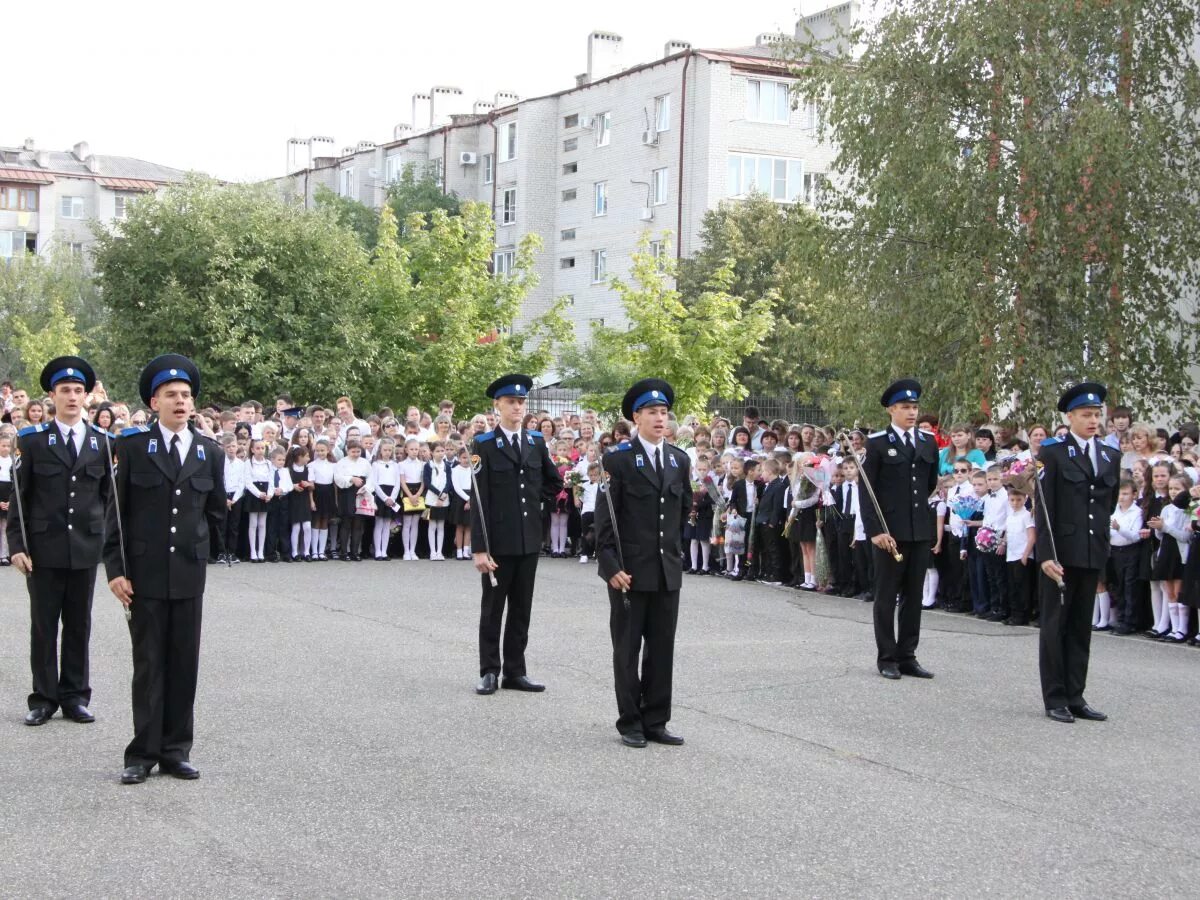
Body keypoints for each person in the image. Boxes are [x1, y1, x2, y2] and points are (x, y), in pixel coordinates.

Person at [105, 354, 226, 783]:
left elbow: (215, 513)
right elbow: (115, 514)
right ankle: (142, 753)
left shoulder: (209, 452)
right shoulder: (134, 447)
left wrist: (201, 554)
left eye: (186, 396)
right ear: (154, 402)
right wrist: (116, 569)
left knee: (183, 665)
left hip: (189, 576)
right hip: (145, 575)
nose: (180, 402)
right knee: (149, 665)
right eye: (171, 395)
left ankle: (177, 750)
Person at [8, 357, 112, 727]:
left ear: (87, 397)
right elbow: (20, 498)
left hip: (85, 547)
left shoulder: (102, 442)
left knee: (79, 624)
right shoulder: (33, 441)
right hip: (44, 548)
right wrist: (17, 545)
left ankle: (75, 696)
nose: (72, 396)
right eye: (65, 390)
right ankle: (43, 697)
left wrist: (106, 543)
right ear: (51, 395)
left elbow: (107, 498)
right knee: (44, 624)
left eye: (78, 391)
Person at [595, 379, 692, 747]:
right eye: (652, 412)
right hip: (629, 573)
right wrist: (610, 567)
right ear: (636, 417)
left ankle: (656, 719)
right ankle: (630, 721)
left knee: (662, 648)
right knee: (627, 648)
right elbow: (607, 521)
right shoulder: (617, 460)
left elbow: (680, 515)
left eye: (664, 412)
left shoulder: (679, 459)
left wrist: (674, 557)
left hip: (666, 571)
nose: (659, 418)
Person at [471, 374, 563, 695]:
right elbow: (479, 502)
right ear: (497, 406)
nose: (517, 407)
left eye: (521, 402)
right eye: (511, 402)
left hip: (527, 540)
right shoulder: (483, 444)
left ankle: (515, 670)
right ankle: (489, 670)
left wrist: (537, 504)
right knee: (493, 609)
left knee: (522, 608)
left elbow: (554, 482)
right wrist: (480, 548)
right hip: (498, 544)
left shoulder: (535, 442)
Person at [1035, 382, 1119, 724]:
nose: (1093, 420)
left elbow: (1106, 506)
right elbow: (1043, 507)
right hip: (1061, 552)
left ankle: (1076, 694)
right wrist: (1045, 554)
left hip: (1091, 550)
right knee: (1056, 625)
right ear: (1070, 417)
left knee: (1081, 626)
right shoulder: (1053, 452)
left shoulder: (1111, 455)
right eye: (1086, 414)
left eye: (1097, 414)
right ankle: (1055, 697)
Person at [859, 379, 939, 680]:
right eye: (905, 407)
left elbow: (929, 483)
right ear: (892, 410)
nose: (911, 412)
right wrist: (876, 530)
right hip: (889, 533)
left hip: (918, 530)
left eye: (915, 407)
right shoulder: (878, 443)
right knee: (886, 595)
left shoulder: (928, 442)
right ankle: (887, 656)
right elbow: (866, 490)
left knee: (913, 596)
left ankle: (908, 655)